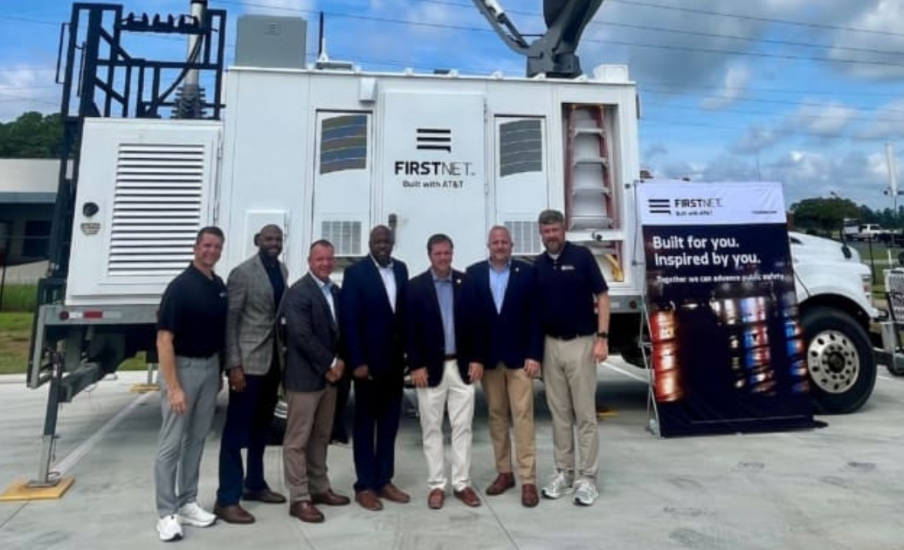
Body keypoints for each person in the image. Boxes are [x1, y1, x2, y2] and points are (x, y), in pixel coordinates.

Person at [153, 226, 228, 542]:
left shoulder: (218, 285)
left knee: (197, 440)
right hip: (183, 369)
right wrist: (174, 387)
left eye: (217, 246)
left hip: (210, 368)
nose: (212, 251)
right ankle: (166, 513)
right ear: (196, 248)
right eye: (207, 245)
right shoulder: (180, 287)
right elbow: (164, 340)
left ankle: (187, 502)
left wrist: (219, 372)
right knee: (171, 445)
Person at [534, 209, 610, 506]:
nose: (550, 236)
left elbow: (602, 296)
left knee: (585, 415)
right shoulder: (538, 265)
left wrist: (602, 339)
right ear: (540, 233)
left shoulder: (581, 257)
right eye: (545, 231)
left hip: (581, 343)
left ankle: (587, 479)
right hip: (550, 346)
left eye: (554, 230)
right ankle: (564, 473)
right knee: (559, 414)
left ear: (563, 230)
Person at [214, 225, 288, 524]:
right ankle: (227, 498)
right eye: (269, 239)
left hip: (272, 364)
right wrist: (233, 366)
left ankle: (254, 484)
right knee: (236, 432)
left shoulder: (281, 270)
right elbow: (231, 322)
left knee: (262, 429)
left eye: (278, 239)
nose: (274, 243)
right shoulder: (242, 273)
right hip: (247, 364)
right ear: (257, 241)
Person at [467, 226, 543, 508]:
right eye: (495, 242)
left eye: (504, 242)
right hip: (489, 361)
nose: (499, 246)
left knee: (523, 417)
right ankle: (504, 473)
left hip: (521, 360)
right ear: (488, 245)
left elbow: (536, 317)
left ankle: (528, 480)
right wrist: (475, 357)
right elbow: (472, 320)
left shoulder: (527, 273)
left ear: (512, 245)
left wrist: (535, 354)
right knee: (496, 417)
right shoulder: (473, 274)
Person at [406, 233, 483, 510]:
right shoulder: (415, 287)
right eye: (438, 253)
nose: (443, 258)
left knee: (463, 428)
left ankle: (462, 484)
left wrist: (477, 359)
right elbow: (409, 331)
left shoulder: (467, 283)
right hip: (430, 370)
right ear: (429, 255)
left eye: (447, 253)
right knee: (432, 428)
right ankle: (437, 485)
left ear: (453, 253)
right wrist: (415, 365)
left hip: (462, 368)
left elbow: (477, 324)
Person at [341, 225, 411, 511]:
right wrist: (357, 360)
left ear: (392, 243)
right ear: (370, 243)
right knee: (365, 424)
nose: (383, 245)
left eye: (387, 241)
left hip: (395, 364)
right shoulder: (356, 273)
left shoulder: (402, 269)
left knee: (389, 424)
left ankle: (384, 480)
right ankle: (365, 485)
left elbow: (404, 314)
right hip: (367, 365)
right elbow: (350, 321)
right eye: (378, 241)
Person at [281, 239, 351, 523]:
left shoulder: (334, 290)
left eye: (329, 259)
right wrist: (331, 363)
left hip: (328, 381)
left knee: (321, 436)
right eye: (319, 259)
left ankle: (319, 487)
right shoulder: (298, 292)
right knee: (297, 439)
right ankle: (299, 498)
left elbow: (338, 331)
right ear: (310, 261)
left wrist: (340, 361)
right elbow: (301, 336)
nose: (325, 263)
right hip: (305, 378)